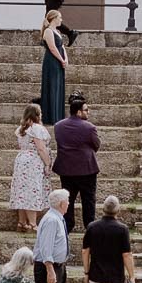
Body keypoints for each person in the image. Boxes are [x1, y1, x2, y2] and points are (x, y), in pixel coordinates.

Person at [53, 95, 101, 230]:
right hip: (87, 169)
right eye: (86, 110)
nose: (88, 112)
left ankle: (67, 226)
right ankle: (89, 226)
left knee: (68, 199)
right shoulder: (89, 127)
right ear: (79, 112)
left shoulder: (58, 126)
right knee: (89, 200)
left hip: (66, 169)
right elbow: (96, 145)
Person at [9, 103, 52, 231]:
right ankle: (33, 224)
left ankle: (22, 222)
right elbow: (40, 148)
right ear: (37, 115)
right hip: (33, 161)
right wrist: (48, 163)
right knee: (32, 190)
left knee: (22, 191)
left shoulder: (21, 128)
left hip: (21, 160)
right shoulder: (36, 128)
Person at [40, 10, 68, 122]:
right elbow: (52, 48)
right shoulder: (48, 31)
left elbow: (62, 46)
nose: (61, 20)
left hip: (58, 62)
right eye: (60, 17)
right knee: (52, 86)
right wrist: (61, 59)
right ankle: (51, 116)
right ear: (54, 18)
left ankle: (58, 115)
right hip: (52, 62)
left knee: (58, 86)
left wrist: (66, 59)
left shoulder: (57, 31)